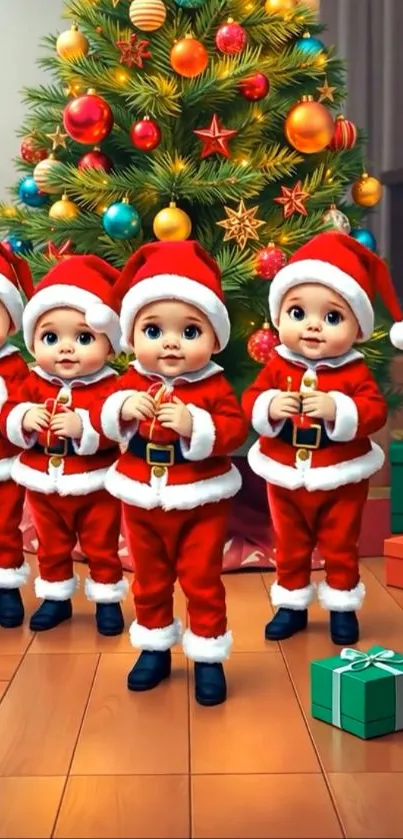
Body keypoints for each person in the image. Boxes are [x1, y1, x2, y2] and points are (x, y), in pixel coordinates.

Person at [90, 240, 248, 706]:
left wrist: (197, 425)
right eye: (154, 329)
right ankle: (155, 647)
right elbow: (101, 416)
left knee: (201, 578)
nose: (171, 342)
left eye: (190, 330)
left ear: (215, 339)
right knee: (150, 577)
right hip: (140, 496)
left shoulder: (215, 384)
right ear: (131, 337)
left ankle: (207, 656)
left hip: (200, 497)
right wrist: (120, 407)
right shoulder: (129, 381)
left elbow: (235, 429)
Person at [242, 231, 394, 645]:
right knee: (288, 542)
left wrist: (340, 410)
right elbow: (252, 399)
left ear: (356, 327)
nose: (312, 326)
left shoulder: (353, 371)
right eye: (297, 312)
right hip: (285, 473)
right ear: (279, 317)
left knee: (340, 542)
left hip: (340, 475)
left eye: (331, 318)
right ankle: (291, 603)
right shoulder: (277, 365)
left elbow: (375, 410)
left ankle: (342, 606)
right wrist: (270, 406)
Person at [1, 255, 128, 634]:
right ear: (33, 340)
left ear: (109, 346)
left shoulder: (109, 386)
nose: (66, 349)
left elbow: (118, 425)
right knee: (50, 544)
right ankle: (55, 597)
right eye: (51, 338)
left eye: (84, 337)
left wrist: (85, 427)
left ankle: (107, 600)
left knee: (100, 544)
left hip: (94, 483)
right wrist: (22, 418)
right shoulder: (33, 381)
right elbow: (9, 408)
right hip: (43, 482)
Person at [0, 245, 33, 628]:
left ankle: (6, 584)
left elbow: (25, 407)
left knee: (5, 524)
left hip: (4, 463)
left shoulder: (13, 368)